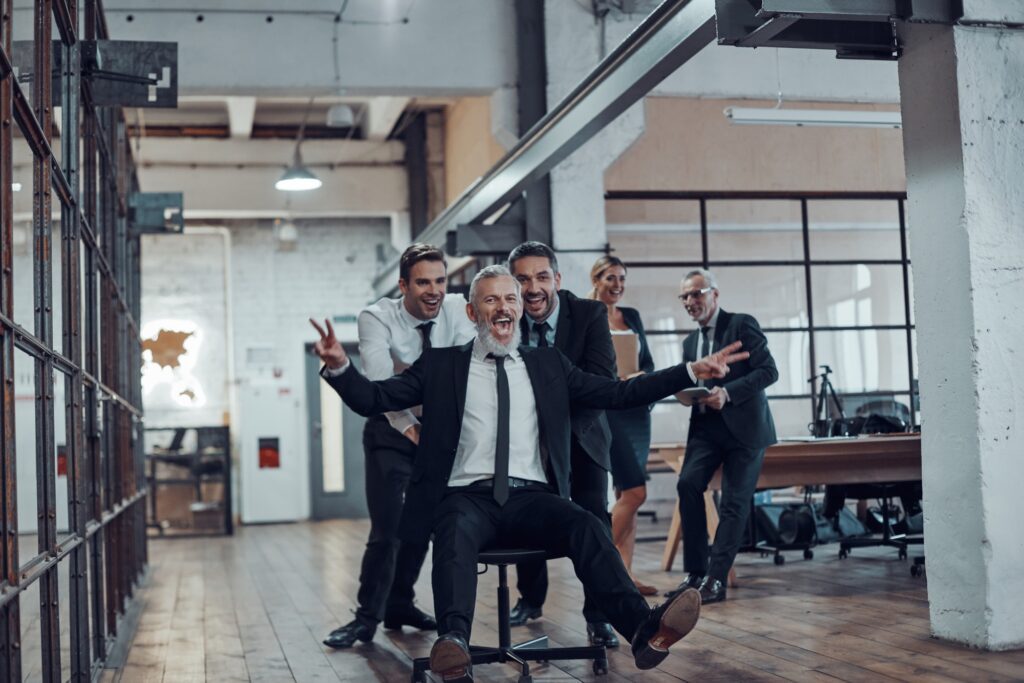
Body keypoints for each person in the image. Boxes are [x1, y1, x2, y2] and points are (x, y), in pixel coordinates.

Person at [311, 264, 749, 682]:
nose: (503, 307)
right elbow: (375, 399)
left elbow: (618, 393)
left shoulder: (549, 364)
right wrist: (339, 367)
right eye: (491, 300)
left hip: (531, 498)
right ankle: (454, 645)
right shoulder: (441, 365)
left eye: (510, 299)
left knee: (585, 523)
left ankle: (642, 629)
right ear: (472, 313)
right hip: (466, 497)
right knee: (454, 532)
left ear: (520, 308)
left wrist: (687, 371)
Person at [322, 243, 476, 649]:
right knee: (388, 528)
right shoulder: (376, 317)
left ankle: (400, 604)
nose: (434, 291)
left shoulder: (460, 309)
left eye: (440, 281)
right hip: (389, 432)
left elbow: (464, 371)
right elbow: (380, 388)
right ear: (403, 285)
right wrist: (409, 427)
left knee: (423, 524)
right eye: (423, 282)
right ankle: (365, 620)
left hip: (441, 432)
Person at [506, 241, 619, 647]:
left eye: (541, 277)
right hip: (527, 440)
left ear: (557, 279)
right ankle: (530, 599)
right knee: (527, 517)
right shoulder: (507, 317)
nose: (532, 288)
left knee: (595, 520)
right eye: (522, 279)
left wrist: (560, 435)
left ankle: (600, 615)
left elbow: (601, 383)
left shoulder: (589, 314)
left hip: (582, 435)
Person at [666, 269, 778, 605]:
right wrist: (685, 393)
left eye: (696, 293)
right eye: (685, 296)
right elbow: (692, 381)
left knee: (733, 502)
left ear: (714, 294)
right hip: (706, 428)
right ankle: (695, 574)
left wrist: (728, 393)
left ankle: (716, 580)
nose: (690, 301)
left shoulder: (741, 324)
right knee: (687, 485)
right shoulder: (689, 343)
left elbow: (769, 371)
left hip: (745, 429)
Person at [587, 255, 657, 596]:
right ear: (596, 279)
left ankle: (626, 577)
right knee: (635, 492)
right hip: (610, 409)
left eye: (622, 278)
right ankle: (598, 566)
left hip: (638, 411)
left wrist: (642, 375)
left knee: (625, 494)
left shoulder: (632, 317)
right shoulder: (587, 315)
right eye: (611, 278)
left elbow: (649, 362)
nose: (618, 285)